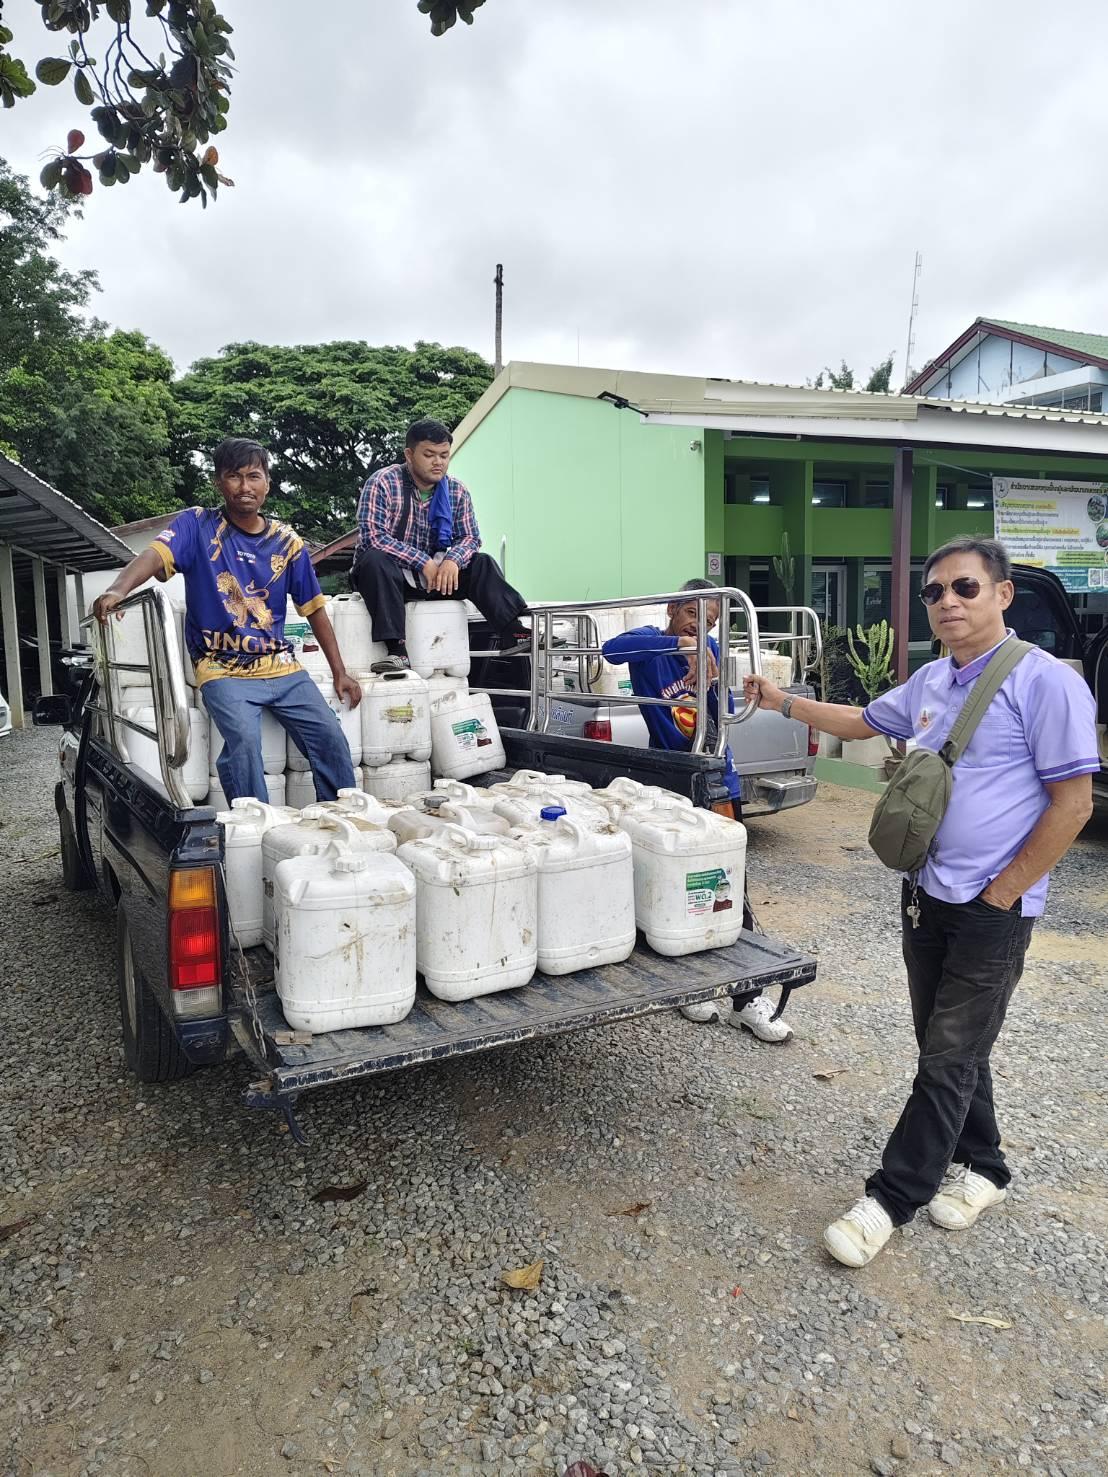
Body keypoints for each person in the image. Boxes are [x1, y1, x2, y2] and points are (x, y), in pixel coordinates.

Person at [744, 536, 1097, 1268]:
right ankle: (988, 1166)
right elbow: (861, 723)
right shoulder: (934, 681)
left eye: (964, 587)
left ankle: (889, 1198)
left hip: (993, 910)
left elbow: (1073, 804)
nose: (947, 602)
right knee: (951, 1046)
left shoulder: (1045, 683)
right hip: (926, 896)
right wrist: (782, 700)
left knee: (946, 1056)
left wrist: (1004, 892)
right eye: (934, 592)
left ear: (1003, 594)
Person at [93, 437, 361, 806]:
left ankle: (344, 813)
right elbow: (154, 556)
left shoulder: (287, 542)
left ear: (268, 482)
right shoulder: (197, 525)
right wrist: (118, 588)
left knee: (330, 734)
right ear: (219, 482)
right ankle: (254, 823)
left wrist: (340, 672)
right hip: (221, 667)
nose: (245, 486)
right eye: (234, 476)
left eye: (254, 476)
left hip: (280, 665)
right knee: (245, 743)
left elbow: (314, 609)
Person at [603, 578, 793, 1043]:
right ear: (672, 608)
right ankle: (694, 987)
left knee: (731, 883)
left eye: (708, 621)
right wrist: (681, 643)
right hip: (669, 779)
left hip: (714, 775)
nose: (701, 628)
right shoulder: (651, 645)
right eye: (693, 615)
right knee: (678, 881)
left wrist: (708, 667)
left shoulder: (711, 649)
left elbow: (717, 717)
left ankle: (748, 999)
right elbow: (611, 648)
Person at [351, 418, 528, 670]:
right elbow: (373, 537)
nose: (438, 462)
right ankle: (397, 650)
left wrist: (452, 560)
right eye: (429, 454)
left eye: (444, 455)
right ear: (409, 455)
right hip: (391, 581)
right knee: (375, 560)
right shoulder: (383, 483)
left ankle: (514, 631)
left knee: (481, 562)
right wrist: (422, 561)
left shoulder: (457, 491)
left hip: (436, 580)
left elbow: (470, 537)